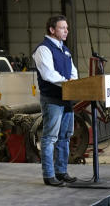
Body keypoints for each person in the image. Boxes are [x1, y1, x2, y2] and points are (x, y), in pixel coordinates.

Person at [32, 14, 78, 186]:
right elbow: (48, 74)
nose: (66, 30)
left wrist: (74, 84)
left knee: (65, 136)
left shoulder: (65, 50)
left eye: (67, 27)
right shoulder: (43, 49)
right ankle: (49, 175)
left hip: (66, 99)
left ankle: (61, 171)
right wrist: (69, 84)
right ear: (52, 30)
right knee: (50, 137)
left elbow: (73, 71)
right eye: (62, 28)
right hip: (52, 99)